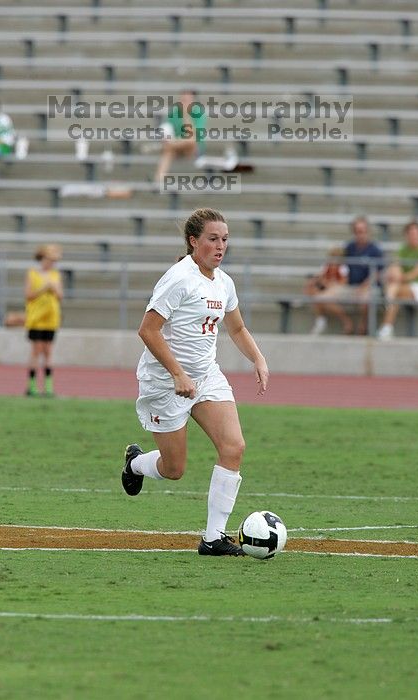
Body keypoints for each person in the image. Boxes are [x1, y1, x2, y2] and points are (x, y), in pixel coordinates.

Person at [121, 208, 269, 557]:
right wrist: (177, 373)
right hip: (165, 382)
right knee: (174, 469)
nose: (220, 246)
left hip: (206, 377)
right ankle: (135, 464)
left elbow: (236, 328)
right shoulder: (179, 278)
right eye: (213, 239)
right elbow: (148, 330)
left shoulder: (224, 282)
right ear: (193, 241)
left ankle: (213, 538)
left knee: (234, 447)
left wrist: (258, 358)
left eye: (225, 239)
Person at [312, 217, 383, 335]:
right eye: (358, 231)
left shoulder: (375, 250)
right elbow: (335, 262)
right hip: (349, 286)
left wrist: (364, 286)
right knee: (322, 297)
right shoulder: (349, 248)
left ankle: (363, 326)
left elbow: (378, 273)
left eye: (363, 231)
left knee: (367, 298)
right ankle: (346, 322)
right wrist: (325, 279)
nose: (361, 234)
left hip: (368, 286)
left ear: (368, 231)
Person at [377, 221, 418, 340]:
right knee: (396, 291)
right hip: (402, 287)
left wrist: (397, 278)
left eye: (416, 233)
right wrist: (394, 274)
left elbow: (414, 274)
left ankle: (387, 317)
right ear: (406, 235)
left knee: (394, 290)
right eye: (411, 233)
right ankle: (386, 327)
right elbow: (395, 267)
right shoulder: (403, 249)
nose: (414, 236)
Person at [24, 244, 63, 397]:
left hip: (51, 319)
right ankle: (31, 386)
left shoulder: (55, 275)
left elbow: (60, 296)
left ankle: (48, 387)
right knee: (36, 351)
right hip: (36, 319)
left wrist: (53, 288)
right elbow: (28, 295)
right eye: (49, 259)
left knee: (48, 352)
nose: (51, 263)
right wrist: (43, 288)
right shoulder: (32, 274)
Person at [154, 90, 207, 183]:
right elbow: (167, 129)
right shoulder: (175, 113)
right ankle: (158, 181)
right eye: (183, 99)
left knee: (190, 140)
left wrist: (186, 115)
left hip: (193, 148)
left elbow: (193, 134)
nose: (184, 101)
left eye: (187, 99)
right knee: (168, 152)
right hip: (177, 145)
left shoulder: (199, 113)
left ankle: (170, 146)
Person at [304, 247, 349, 335]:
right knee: (313, 289)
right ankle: (321, 319)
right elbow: (321, 278)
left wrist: (330, 284)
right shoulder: (326, 266)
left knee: (322, 298)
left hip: (337, 289)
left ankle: (345, 321)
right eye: (332, 257)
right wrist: (317, 282)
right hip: (326, 288)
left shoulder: (342, 268)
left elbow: (343, 282)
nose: (334, 260)